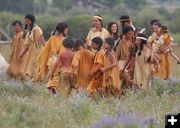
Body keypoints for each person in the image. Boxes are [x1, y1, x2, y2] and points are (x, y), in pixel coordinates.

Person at [19, 14, 45, 79]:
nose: (27, 23)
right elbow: (28, 45)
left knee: (36, 69)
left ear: (32, 21)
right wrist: (22, 54)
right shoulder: (29, 31)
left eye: (28, 21)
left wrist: (45, 51)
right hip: (32, 53)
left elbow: (42, 41)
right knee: (31, 70)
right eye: (26, 21)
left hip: (38, 52)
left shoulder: (37, 29)